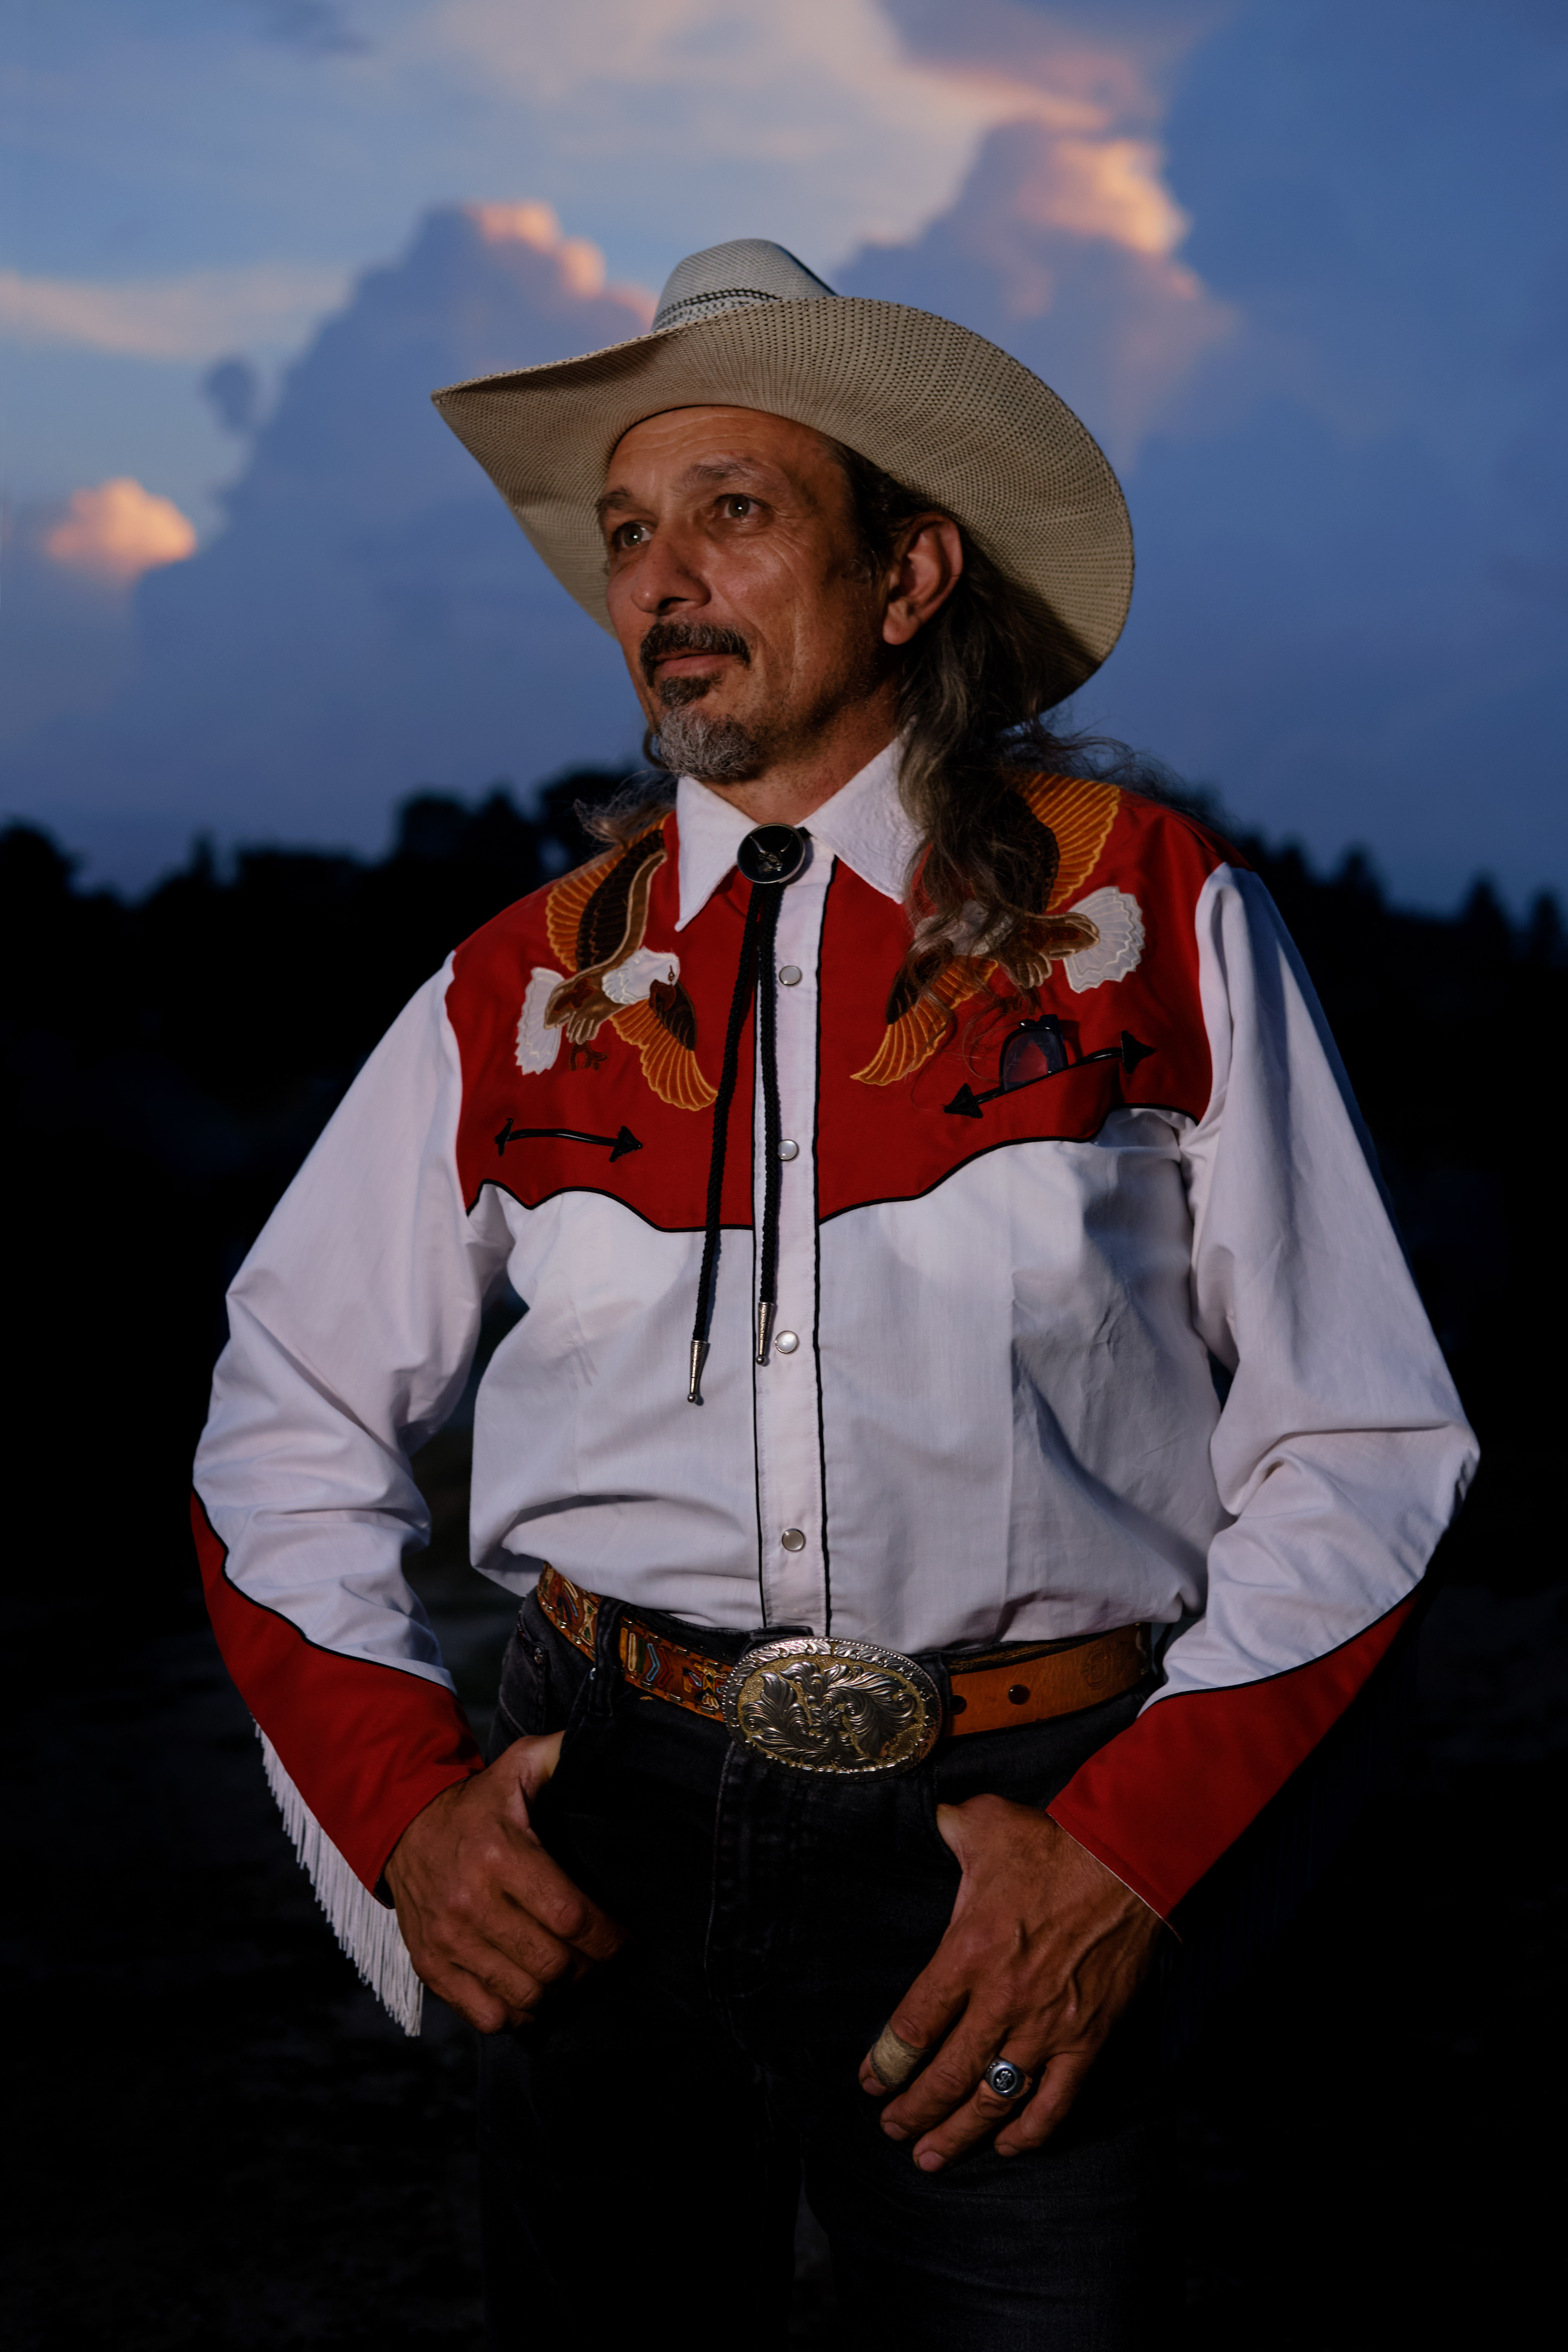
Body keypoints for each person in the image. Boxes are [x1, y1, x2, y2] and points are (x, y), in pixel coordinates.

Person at [193, 241, 1475, 2347]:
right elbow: (285, 1412)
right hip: (598, 1834)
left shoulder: (1144, 913)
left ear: (907, 575)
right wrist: (405, 1812)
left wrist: (1127, 1860)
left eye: (735, 510)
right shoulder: (524, 984)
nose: (661, 578)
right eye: (629, 530)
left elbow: (1364, 1436)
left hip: (1018, 1851)